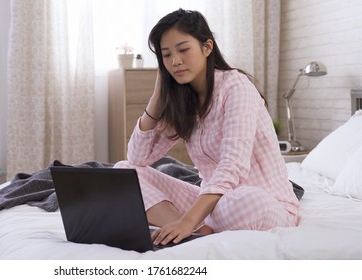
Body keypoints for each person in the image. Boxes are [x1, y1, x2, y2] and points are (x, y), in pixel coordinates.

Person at [114, 8, 299, 246]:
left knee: (244, 199)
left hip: (262, 204)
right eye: (166, 55)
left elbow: (232, 165)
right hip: (212, 205)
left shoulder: (236, 87)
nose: (175, 61)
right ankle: (195, 234)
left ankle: (191, 227)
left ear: (207, 47)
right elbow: (137, 158)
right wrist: (157, 97)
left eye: (183, 50)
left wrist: (188, 219)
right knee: (125, 170)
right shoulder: (184, 99)